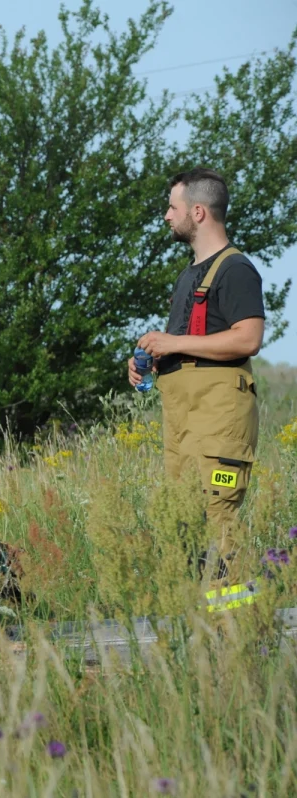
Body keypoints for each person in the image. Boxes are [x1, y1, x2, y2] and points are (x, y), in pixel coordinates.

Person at [130, 168, 265, 589]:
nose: (167, 216)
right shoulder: (189, 274)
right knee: (181, 523)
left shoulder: (236, 269)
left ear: (199, 211)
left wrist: (172, 342)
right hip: (185, 425)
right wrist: (149, 363)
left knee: (218, 522)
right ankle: (194, 631)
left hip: (218, 424)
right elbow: (191, 347)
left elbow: (249, 337)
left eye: (173, 207)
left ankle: (238, 633)